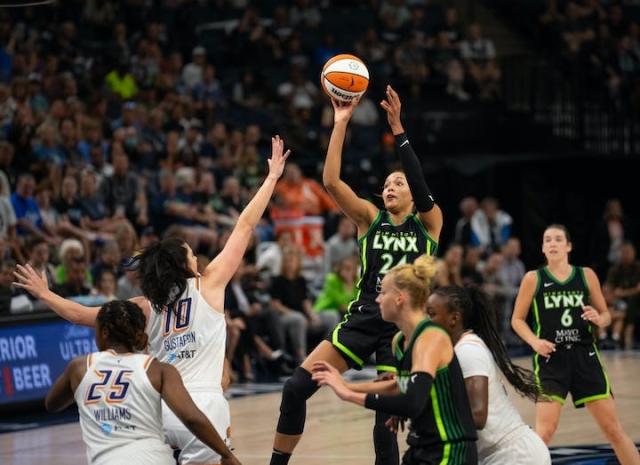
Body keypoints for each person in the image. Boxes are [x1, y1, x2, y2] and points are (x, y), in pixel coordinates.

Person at [14, 136, 290, 465]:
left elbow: (82, 315)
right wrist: (272, 178)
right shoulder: (210, 283)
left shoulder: (145, 305)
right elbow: (245, 224)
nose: (196, 257)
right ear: (186, 264)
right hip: (203, 405)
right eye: (191, 254)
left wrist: (45, 294)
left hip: (160, 409)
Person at [269, 85, 443, 465]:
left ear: (412, 193)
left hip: (404, 328)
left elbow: (421, 184)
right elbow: (331, 182)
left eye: (398, 183)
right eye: (386, 184)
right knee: (296, 387)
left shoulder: (429, 224)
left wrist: (398, 130)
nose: (390, 187)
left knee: (385, 424)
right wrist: (341, 123)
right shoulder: (369, 219)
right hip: (366, 315)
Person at [312, 255, 477, 465]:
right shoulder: (399, 341)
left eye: (382, 293)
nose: (378, 299)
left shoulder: (431, 337)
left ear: (399, 298)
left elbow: (413, 402)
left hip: (450, 450)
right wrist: (346, 384)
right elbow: (400, 385)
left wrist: (348, 395)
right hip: (421, 447)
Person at [45, 300, 240, 465]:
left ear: (103, 333)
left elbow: (51, 404)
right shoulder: (158, 369)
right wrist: (226, 454)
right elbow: (192, 418)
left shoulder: (80, 368)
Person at [511, 224, 640, 465]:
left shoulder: (586, 275)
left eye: (558, 239)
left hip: (584, 356)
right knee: (544, 433)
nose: (552, 243)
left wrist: (598, 318)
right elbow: (517, 320)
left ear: (568, 246)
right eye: (547, 239)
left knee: (613, 430)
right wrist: (534, 341)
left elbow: (606, 315)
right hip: (551, 360)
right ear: (542, 247)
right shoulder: (533, 279)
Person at [426, 285, 550, 465]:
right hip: (498, 454)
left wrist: (425, 418)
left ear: (454, 318)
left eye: (431, 314)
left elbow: (477, 416)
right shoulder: (453, 352)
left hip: (515, 455)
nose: (426, 321)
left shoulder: (467, 350)